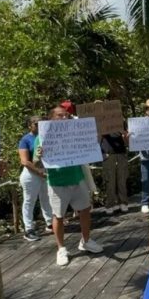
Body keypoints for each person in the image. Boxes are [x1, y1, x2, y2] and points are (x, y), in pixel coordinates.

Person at [37, 105, 104, 266]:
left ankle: (86, 241)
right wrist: (39, 155)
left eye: (66, 115)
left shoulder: (76, 133)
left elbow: (90, 146)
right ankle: (61, 249)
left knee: (85, 210)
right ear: (51, 118)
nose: (64, 118)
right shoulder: (43, 136)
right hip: (57, 182)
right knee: (58, 216)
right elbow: (35, 162)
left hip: (77, 178)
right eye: (60, 115)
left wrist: (97, 135)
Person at [18, 115, 52, 241]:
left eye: (41, 123)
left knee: (46, 198)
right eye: (36, 124)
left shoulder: (46, 137)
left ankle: (50, 223)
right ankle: (28, 229)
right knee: (29, 201)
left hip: (45, 172)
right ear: (30, 126)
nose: (39, 125)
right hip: (31, 174)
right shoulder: (25, 140)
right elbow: (25, 161)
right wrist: (39, 172)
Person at [101, 130, 130, 214]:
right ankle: (110, 204)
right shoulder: (100, 121)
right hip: (108, 154)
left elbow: (127, 142)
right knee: (110, 180)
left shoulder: (121, 121)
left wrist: (125, 137)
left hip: (121, 154)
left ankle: (123, 203)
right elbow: (96, 139)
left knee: (122, 179)